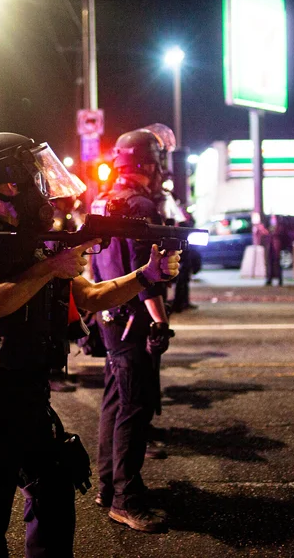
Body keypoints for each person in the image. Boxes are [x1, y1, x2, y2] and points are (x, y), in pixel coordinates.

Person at [0, 132, 180, 556]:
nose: (46, 187)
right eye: (36, 174)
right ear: (9, 181)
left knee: (55, 509)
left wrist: (148, 275)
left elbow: (87, 297)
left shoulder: (36, 246)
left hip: (32, 402)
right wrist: (52, 266)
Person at [89, 127, 179, 533]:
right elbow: (150, 272)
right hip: (134, 319)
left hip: (108, 314)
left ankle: (107, 486)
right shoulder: (143, 205)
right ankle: (126, 497)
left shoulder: (103, 200)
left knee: (114, 402)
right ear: (150, 163)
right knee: (135, 407)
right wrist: (160, 320)